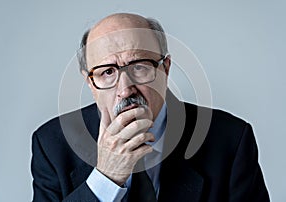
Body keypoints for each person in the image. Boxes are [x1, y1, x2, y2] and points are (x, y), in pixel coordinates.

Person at [31, 13, 270, 202]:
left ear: (165, 69)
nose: (125, 89)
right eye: (107, 72)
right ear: (90, 83)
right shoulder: (52, 144)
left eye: (139, 66)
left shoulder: (230, 139)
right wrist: (106, 177)